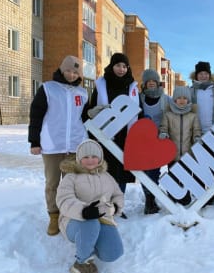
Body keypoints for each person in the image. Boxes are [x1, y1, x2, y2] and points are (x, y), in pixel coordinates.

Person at [28, 55, 88, 236]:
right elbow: (36, 115)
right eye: (68, 70)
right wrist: (34, 141)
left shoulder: (83, 93)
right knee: (52, 183)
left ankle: (69, 215)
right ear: (62, 70)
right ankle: (54, 216)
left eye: (75, 72)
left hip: (75, 145)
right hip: (52, 144)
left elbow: (85, 118)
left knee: (72, 184)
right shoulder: (48, 89)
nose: (71, 75)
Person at [56, 139, 124, 273]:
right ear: (79, 159)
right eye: (86, 157)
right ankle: (81, 263)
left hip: (102, 218)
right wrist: (84, 211)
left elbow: (118, 194)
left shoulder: (106, 176)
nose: (90, 160)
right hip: (73, 221)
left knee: (113, 253)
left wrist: (116, 207)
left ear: (100, 158)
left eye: (94, 156)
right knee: (90, 223)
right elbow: (64, 200)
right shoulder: (71, 177)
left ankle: (89, 243)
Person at [84, 53, 141, 218]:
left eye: (124, 66)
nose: (121, 69)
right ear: (112, 66)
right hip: (105, 135)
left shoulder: (132, 87)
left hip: (125, 136)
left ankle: (118, 206)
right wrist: (92, 113)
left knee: (122, 172)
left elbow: (139, 109)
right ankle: (104, 205)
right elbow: (92, 108)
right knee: (104, 171)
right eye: (118, 65)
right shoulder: (102, 85)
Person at [189, 61, 214, 205]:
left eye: (206, 73)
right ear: (196, 75)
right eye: (201, 74)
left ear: (210, 75)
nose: (204, 76)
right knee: (198, 163)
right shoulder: (191, 90)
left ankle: (211, 197)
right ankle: (198, 193)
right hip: (196, 134)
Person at [159, 86, 202, 205]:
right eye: (179, 98)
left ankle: (186, 199)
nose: (182, 100)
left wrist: (197, 137)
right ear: (174, 100)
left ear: (188, 100)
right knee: (173, 176)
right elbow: (164, 127)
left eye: (184, 98)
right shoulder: (168, 115)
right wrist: (163, 133)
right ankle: (172, 199)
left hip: (188, 155)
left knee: (186, 177)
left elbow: (196, 130)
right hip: (173, 154)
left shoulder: (193, 116)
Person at [139, 69, 170, 214]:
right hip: (143, 141)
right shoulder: (139, 98)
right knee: (145, 171)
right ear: (144, 84)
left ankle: (152, 198)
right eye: (148, 81)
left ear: (158, 83)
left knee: (154, 171)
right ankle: (149, 200)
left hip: (159, 141)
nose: (151, 83)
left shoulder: (166, 99)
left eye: (153, 81)